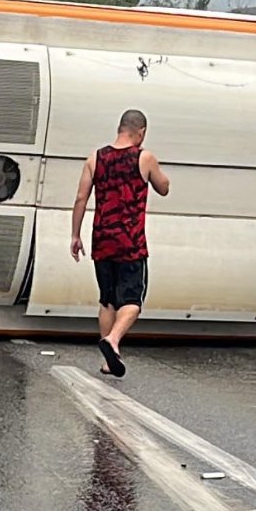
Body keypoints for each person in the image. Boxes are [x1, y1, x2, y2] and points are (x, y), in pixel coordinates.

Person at [69, 109, 169, 379]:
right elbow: (164, 187)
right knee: (133, 300)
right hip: (130, 241)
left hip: (102, 238)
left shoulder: (95, 158)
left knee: (107, 301)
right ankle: (113, 340)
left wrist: (75, 235)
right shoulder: (144, 157)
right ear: (142, 132)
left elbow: (81, 198)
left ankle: (106, 359)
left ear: (119, 128)